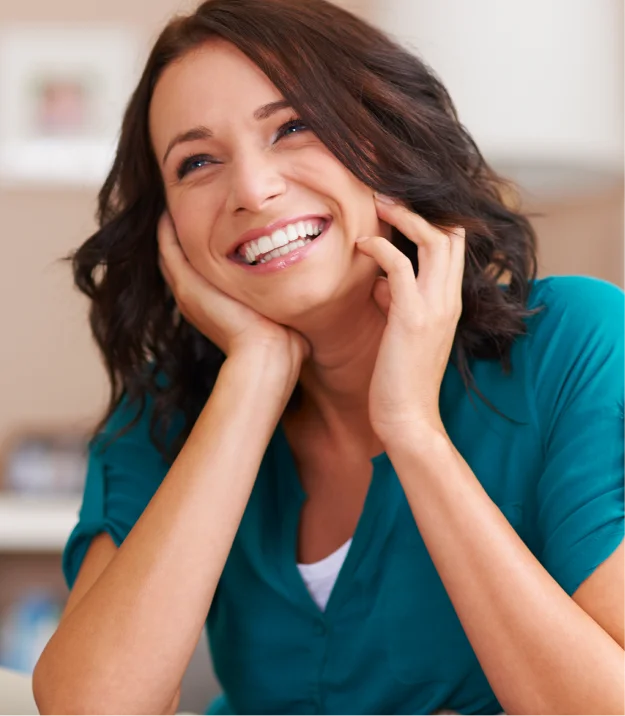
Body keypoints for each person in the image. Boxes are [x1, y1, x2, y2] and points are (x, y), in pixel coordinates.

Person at [33, 0, 625, 714]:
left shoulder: (572, 342)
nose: (252, 190)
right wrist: (253, 375)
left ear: (382, 138)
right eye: (196, 163)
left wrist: (411, 428)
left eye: (293, 127)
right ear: (169, 230)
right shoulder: (166, 411)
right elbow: (93, 707)